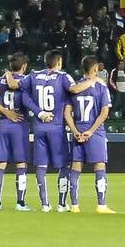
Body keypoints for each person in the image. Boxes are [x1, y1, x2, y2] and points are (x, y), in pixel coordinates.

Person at [24, 50, 78, 212]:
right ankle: (61, 204)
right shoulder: (63, 76)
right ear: (59, 62)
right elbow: (75, 90)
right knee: (63, 165)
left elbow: (22, 94)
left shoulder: (34, 76)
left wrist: (39, 112)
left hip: (39, 127)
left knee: (41, 166)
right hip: (56, 128)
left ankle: (45, 204)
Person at [65, 56, 115, 213]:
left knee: (75, 167)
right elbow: (104, 112)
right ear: (95, 69)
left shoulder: (75, 87)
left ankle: (74, 205)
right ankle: (101, 205)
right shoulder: (101, 87)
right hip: (95, 131)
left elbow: (67, 113)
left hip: (78, 129)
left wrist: (75, 131)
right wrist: (91, 131)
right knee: (99, 165)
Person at [0, 54, 33, 210]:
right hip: (20, 124)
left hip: (5, 124)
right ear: (24, 66)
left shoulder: (0, 80)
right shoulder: (27, 80)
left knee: (1, 163)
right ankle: (20, 202)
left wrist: (4, 111)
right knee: (21, 163)